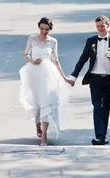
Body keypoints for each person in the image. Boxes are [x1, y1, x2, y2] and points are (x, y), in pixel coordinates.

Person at [67, 15, 110, 146]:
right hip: (94, 78)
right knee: (97, 107)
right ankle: (99, 137)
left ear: (107, 25)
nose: (100, 28)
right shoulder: (91, 41)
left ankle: (103, 135)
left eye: (102, 26)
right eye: (98, 26)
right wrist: (73, 76)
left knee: (106, 108)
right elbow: (83, 58)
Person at [19, 17, 72, 146]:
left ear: (50, 29)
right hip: (34, 73)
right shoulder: (32, 38)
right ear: (39, 28)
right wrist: (32, 61)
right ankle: (37, 125)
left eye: (46, 29)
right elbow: (25, 54)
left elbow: (56, 60)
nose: (44, 31)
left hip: (48, 74)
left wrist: (64, 77)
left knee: (46, 102)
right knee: (35, 101)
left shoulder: (53, 42)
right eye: (42, 29)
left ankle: (44, 136)